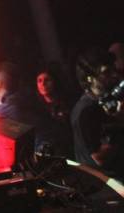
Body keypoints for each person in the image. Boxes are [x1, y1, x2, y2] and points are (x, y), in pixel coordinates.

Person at [71, 47, 124, 178]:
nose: (114, 75)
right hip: (110, 184)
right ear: (89, 78)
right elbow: (99, 158)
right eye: (106, 72)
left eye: (113, 70)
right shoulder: (87, 110)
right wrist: (120, 123)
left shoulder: (104, 101)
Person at [33, 63, 75, 157]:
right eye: (39, 81)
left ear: (55, 81)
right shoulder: (36, 108)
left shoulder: (67, 103)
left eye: (47, 80)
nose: (43, 84)